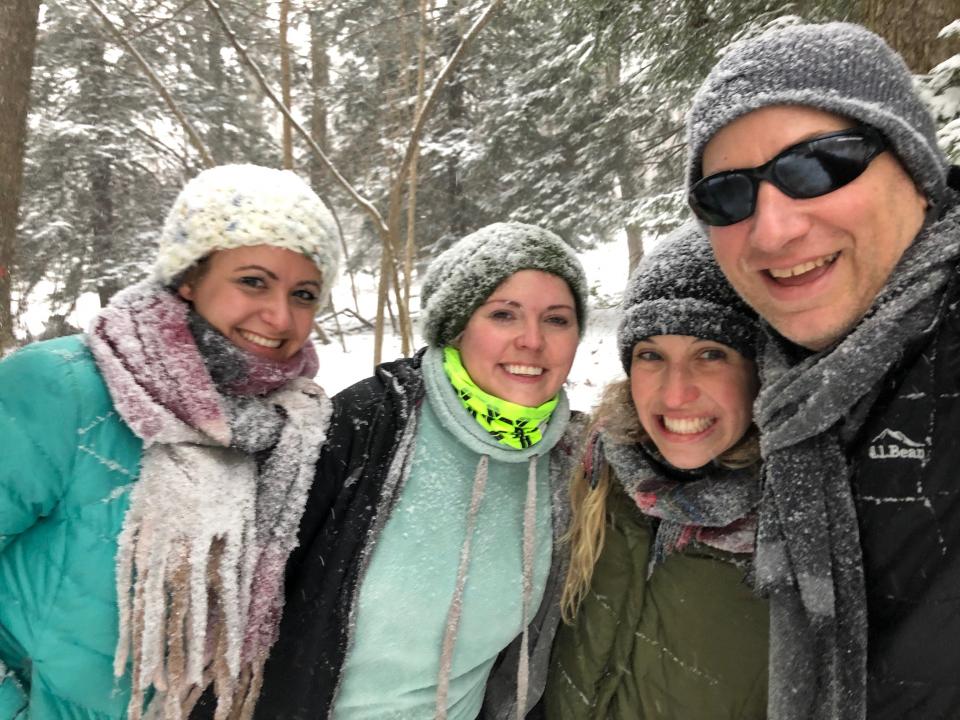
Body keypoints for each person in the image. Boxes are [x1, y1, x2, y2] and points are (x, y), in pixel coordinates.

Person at [685, 21, 960, 719]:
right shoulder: (784, 394)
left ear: (918, 170)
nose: (773, 229)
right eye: (727, 195)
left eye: (818, 165)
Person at [0, 164, 340, 719]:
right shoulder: (62, 387)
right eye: (253, 280)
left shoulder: (293, 427)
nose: (280, 316)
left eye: (303, 293)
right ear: (189, 277)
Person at [251, 222, 588, 719]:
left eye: (557, 320)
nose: (532, 341)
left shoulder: (571, 466)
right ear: (456, 327)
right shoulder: (366, 425)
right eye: (503, 315)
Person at [543, 223, 768, 718]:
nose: (674, 393)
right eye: (652, 356)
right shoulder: (596, 474)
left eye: (711, 353)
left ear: (760, 367)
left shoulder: (804, 518)